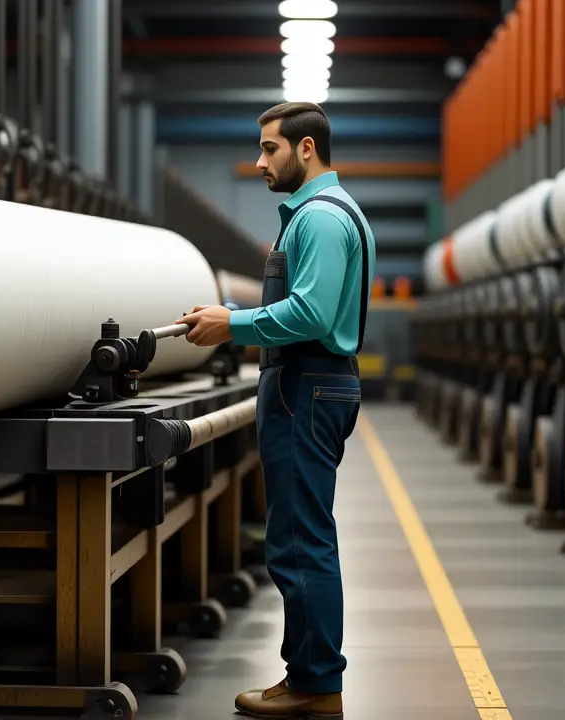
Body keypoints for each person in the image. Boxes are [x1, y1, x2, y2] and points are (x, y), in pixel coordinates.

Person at [178, 101, 375, 719]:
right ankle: (311, 677)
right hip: (317, 385)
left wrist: (227, 324)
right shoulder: (337, 213)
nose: (260, 161)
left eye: (271, 148)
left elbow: (311, 315)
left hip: (305, 384)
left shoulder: (317, 219)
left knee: (299, 541)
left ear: (306, 149)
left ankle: (315, 684)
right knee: (303, 536)